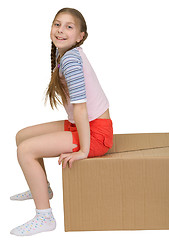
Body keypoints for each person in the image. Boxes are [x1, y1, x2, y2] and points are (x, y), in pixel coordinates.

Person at [10, 7, 113, 236]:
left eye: (69, 26)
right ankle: (42, 188)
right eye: (57, 24)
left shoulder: (71, 60)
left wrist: (84, 151)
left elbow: (81, 108)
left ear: (80, 36)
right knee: (21, 136)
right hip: (84, 125)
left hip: (96, 134)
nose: (60, 30)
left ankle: (44, 217)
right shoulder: (63, 54)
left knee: (25, 151)